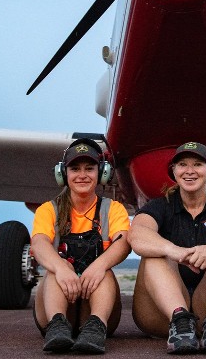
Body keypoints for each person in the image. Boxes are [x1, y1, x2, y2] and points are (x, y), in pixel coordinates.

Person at [130, 141, 206, 354]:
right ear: (174, 171)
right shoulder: (158, 206)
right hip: (163, 316)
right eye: (182, 165)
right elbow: (137, 235)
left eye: (198, 164)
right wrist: (173, 251)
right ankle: (179, 319)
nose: (190, 171)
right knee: (154, 254)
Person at [31, 138, 131, 354]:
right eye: (75, 168)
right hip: (58, 297)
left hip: (93, 300)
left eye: (89, 168)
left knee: (104, 272)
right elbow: (39, 244)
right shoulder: (49, 210)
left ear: (102, 172)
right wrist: (60, 268)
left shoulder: (113, 209)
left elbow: (123, 243)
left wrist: (98, 265)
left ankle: (95, 326)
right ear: (63, 174)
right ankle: (57, 325)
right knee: (53, 271)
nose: (82, 175)